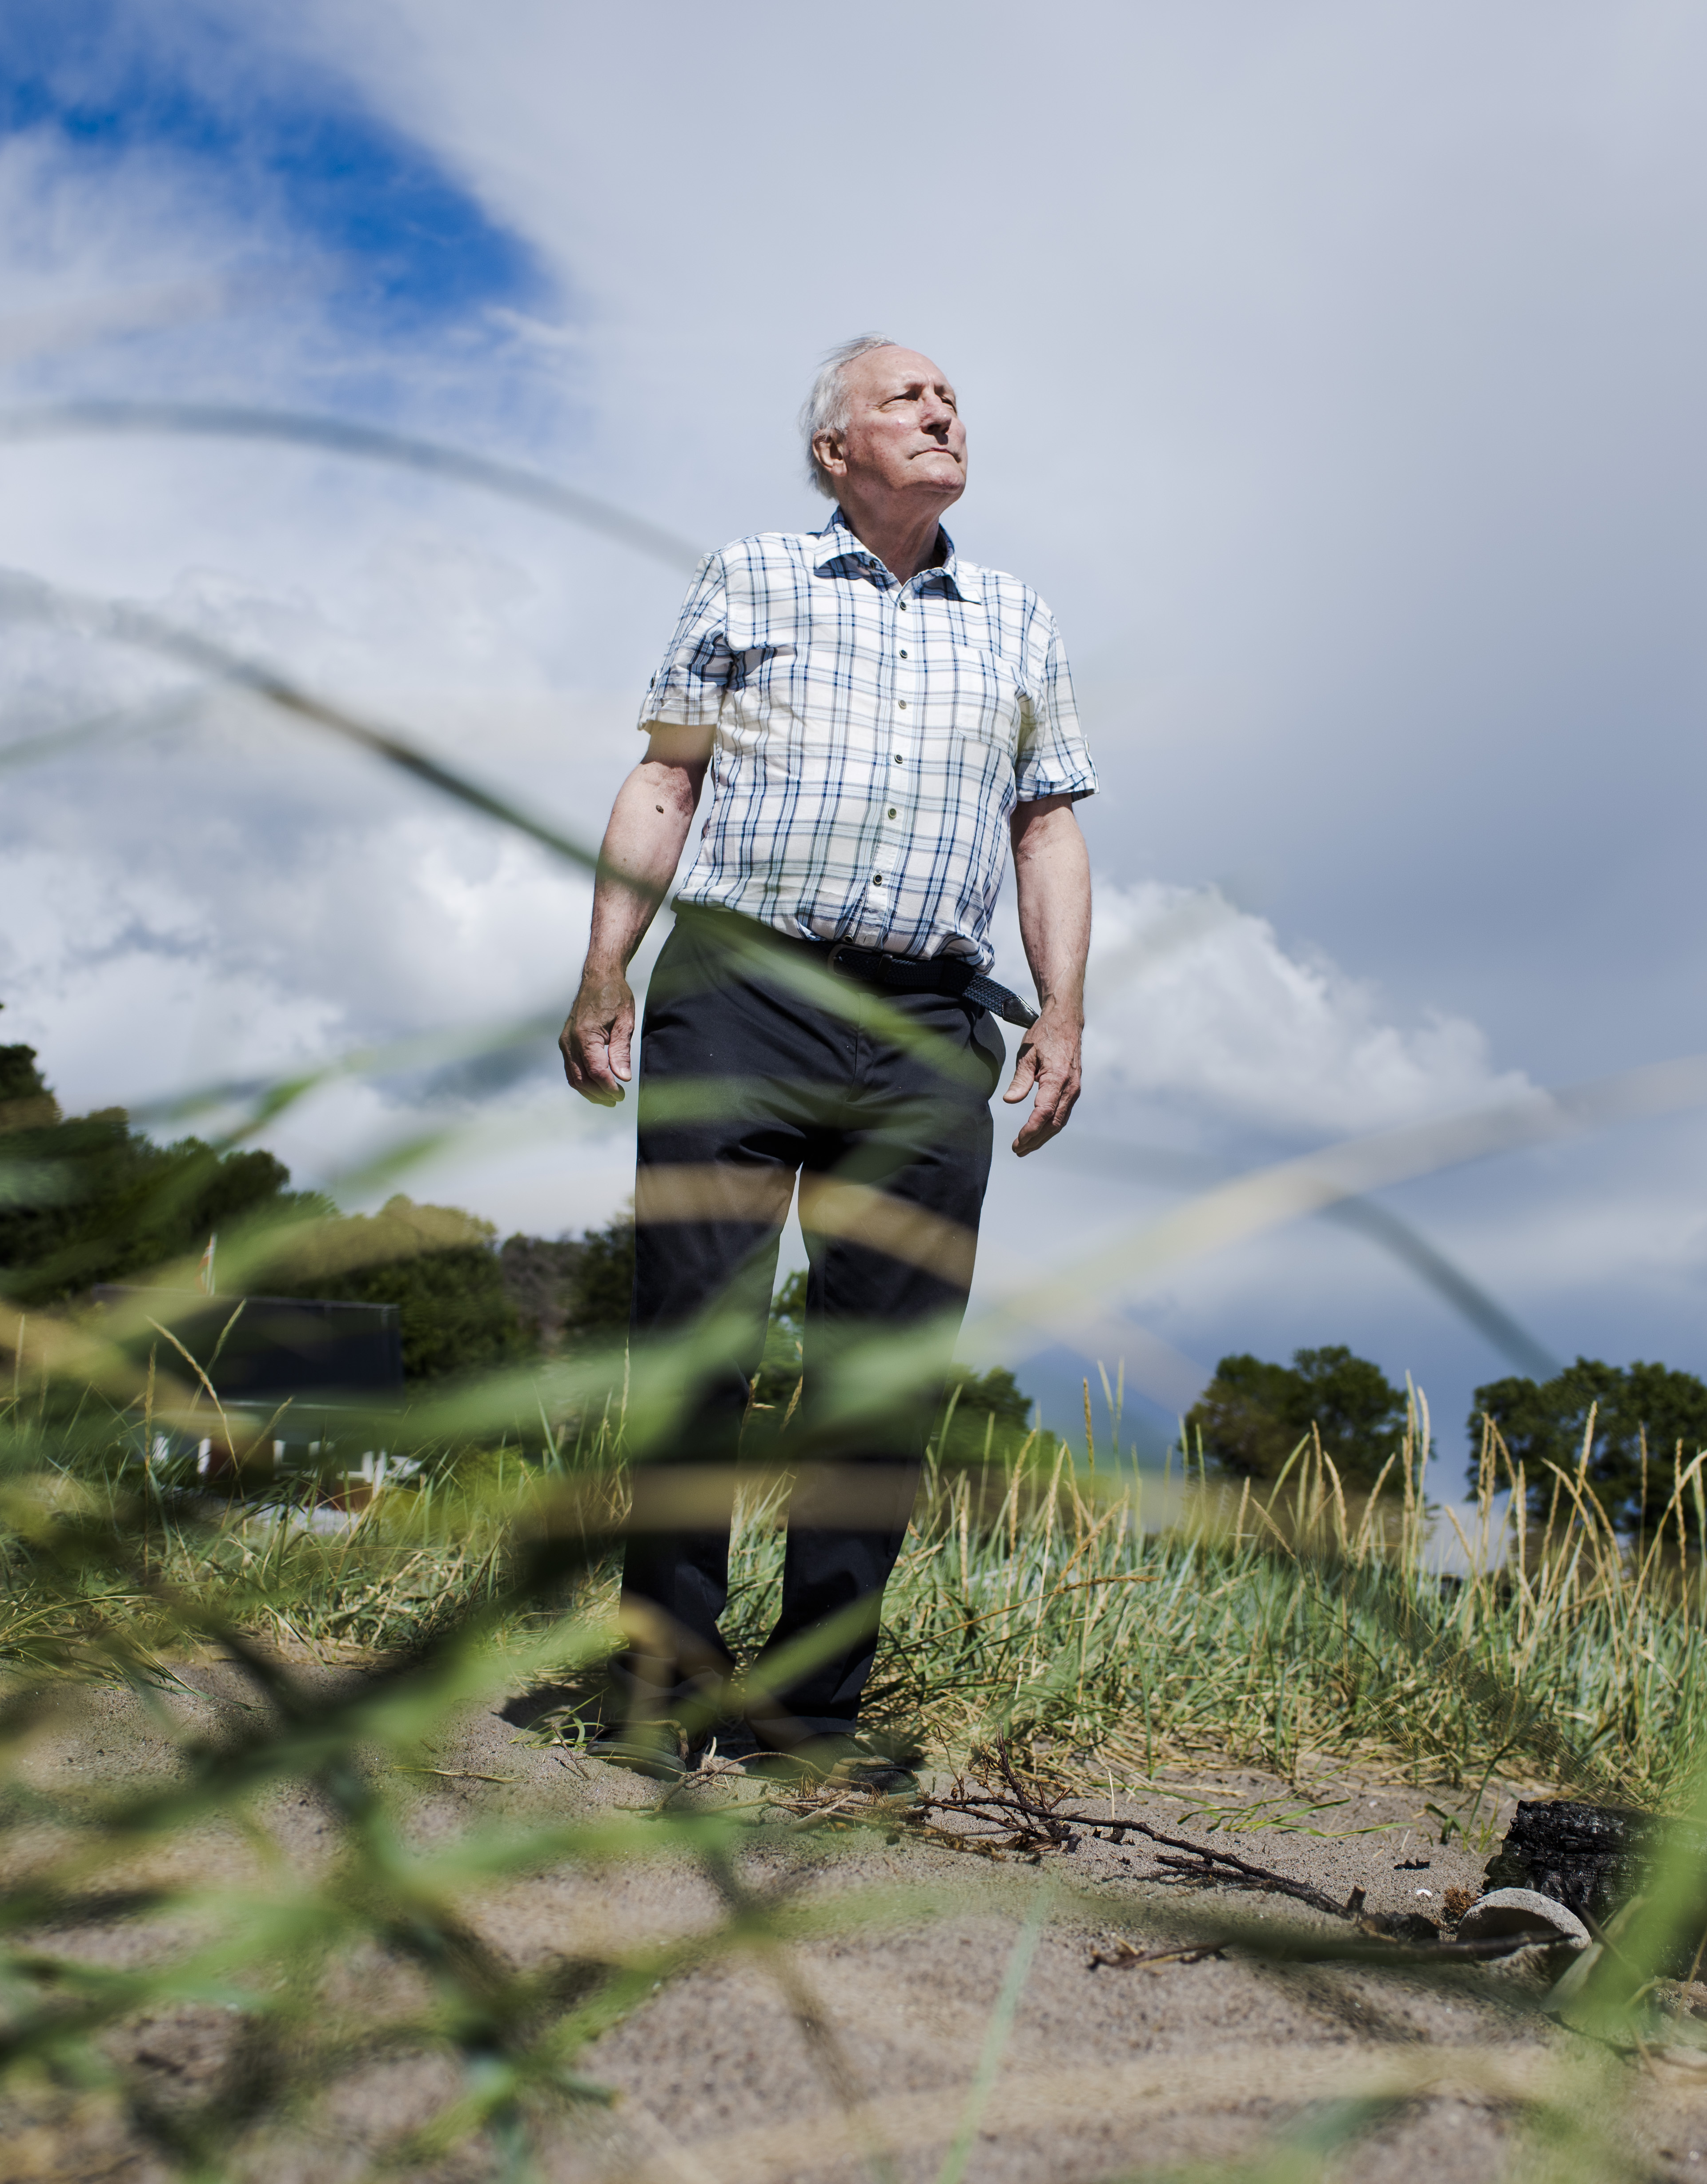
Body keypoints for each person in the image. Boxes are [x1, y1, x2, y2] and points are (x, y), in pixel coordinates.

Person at [558, 335, 1095, 1790]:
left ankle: (810, 1714)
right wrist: (606, 962)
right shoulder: (749, 579)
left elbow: (1045, 825)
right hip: (743, 991)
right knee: (695, 1339)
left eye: (953, 399)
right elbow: (666, 774)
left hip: (929, 1023)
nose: (941, 410)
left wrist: (1062, 1012)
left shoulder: (1020, 620)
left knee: (877, 1379)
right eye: (906, 397)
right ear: (833, 450)